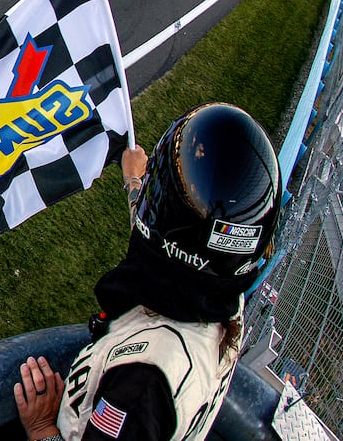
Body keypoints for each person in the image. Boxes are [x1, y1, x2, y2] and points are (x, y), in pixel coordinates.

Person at [15, 103, 282, 441]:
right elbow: (170, 256)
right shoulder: (220, 295)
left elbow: (164, 244)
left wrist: (42, 430)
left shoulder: (140, 385)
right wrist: (133, 181)